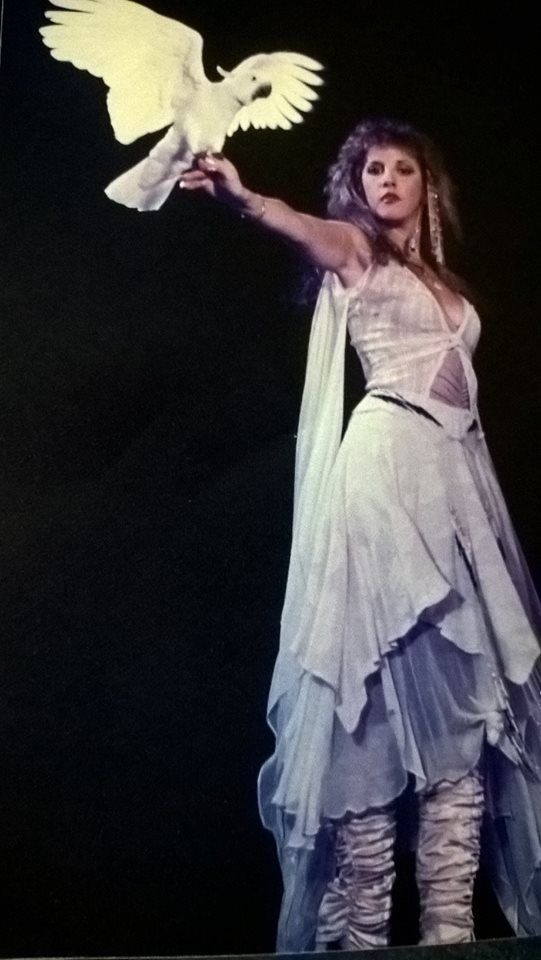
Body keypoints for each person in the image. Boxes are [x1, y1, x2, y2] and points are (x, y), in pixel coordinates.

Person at [179, 118, 541, 951]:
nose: (385, 180)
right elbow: (300, 228)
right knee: (368, 691)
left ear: (425, 185)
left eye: (401, 168)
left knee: (466, 702)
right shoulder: (357, 251)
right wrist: (243, 199)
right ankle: (359, 932)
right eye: (371, 169)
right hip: (385, 471)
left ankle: (449, 928)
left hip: (449, 479)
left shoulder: (439, 277)